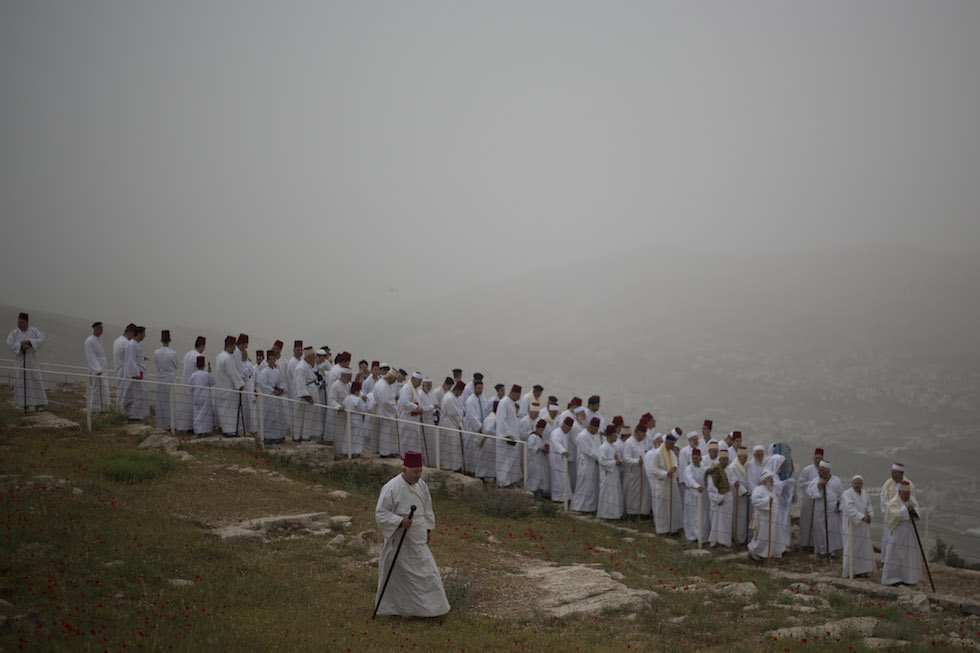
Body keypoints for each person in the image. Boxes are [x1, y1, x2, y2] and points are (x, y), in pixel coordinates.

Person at [374, 451, 450, 618]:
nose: (418, 475)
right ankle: (394, 608)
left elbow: (427, 508)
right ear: (405, 469)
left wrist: (428, 529)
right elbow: (381, 513)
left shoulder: (421, 486)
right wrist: (399, 522)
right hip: (400, 538)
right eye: (415, 471)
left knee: (427, 572)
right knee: (399, 574)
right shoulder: (391, 487)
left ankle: (431, 610)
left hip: (417, 537)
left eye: (420, 471)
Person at [881, 480, 923, 587]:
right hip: (898, 533)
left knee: (909, 556)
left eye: (908, 493)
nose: (907, 496)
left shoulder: (912, 500)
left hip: (909, 533)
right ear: (900, 492)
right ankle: (892, 579)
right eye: (905, 494)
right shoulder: (894, 502)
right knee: (895, 556)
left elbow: (918, 512)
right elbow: (894, 514)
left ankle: (909, 578)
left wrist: (912, 510)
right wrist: (906, 509)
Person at [7, 312, 48, 411]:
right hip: (20, 361)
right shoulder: (14, 333)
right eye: (18, 322)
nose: (19, 324)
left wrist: (29, 342)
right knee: (21, 382)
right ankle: (24, 405)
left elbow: (41, 339)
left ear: (26, 323)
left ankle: (39, 404)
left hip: (31, 360)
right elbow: (10, 343)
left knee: (36, 380)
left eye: (21, 322)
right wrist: (20, 345)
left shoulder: (34, 331)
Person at [806, 460, 843, 559]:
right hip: (820, 507)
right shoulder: (816, 480)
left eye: (821, 470)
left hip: (832, 509)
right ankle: (822, 549)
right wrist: (818, 486)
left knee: (832, 529)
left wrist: (840, 506)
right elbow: (809, 492)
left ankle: (832, 551)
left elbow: (841, 495)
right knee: (820, 528)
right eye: (819, 470)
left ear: (827, 471)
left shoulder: (836, 480)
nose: (819, 472)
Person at [841, 475, 875, 578]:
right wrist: (861, 517)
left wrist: (870, 516)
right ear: (852, 484)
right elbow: (849, 508)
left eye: (859, 483)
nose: (857, 485)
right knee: (850, 548)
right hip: (852, 525)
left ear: (862, 484)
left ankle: (862, 570)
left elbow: (869, 506)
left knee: (864, 549)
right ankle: (849, 571)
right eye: (855, 483)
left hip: (863, 526)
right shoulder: (847, 494)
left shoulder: (865, 494)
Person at [880, 462, 914, 561]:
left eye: (894, 472)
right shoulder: (887, 484)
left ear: (900, 474)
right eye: (892, 472)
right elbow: (883, 499)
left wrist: (900, 512)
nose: (892, 474)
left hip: (901, 519)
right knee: (887, 540)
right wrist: (893, 510)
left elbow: (911, 501)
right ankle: (886, 561)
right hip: (890, 517)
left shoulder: (909, 485)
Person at [651, 432, 683, 535]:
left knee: (674, 507)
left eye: (674, 444)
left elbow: (675, 463)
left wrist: (674, 468)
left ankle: (673, 529)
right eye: (671, 444)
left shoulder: (671, 452)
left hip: (672, 483)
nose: (673, 446)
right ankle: (663, 530)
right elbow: (654, 470)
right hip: (663, 484)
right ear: (667, 442)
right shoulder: (658, 453)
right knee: (663, 508)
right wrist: (666, 473)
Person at [214, 335, 246, 437]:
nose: (235, 349)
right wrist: (240, 385)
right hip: (229, 390)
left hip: (221, 389)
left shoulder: (219, 356)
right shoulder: (228, 358)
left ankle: (225, 429)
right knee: (230, 412)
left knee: (223, 411)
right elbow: (233, 374)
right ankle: (230, 431)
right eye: (234, 346)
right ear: (230, 346)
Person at [570, 417, 602, 513]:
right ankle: (579, 507)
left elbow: (598, 448)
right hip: (586, 464)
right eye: (595, 429)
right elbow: (588, 452)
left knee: (593, 487)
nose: (596, 431)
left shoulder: (596, 434)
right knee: (584, 485)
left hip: (595, 464)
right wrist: (600, 458)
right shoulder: (582, 436)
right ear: (590, 426)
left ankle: (591, 507)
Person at [494, 385, 523, 487]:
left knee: (510, 461)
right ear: (514, 393)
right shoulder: (504, 402)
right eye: (518, 396)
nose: (518, 398)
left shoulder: (511, 403)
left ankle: (508, 482)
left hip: (511, 439)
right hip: (505, 439)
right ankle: (502, 483)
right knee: (504, 462)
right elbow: (502, 420)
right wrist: (509, 434)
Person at [176, 337, 206, 432]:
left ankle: (185, 426)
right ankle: (193, 427)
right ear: (202, 346)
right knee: (194, 408)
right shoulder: (197, 356)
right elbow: (201, 372)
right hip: (194, 385)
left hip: (185, 383)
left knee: (186, 406)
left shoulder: (188, 354)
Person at [748, 471, 779, 561]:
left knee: (771, 538)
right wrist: (766, 500)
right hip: (763, 519)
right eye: (771, 479)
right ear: (765, 481)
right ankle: (754, 551)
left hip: (772, 520)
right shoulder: (758, 489)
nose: (773, 481)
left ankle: (768, 554)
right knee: (762, 538)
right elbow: (754, 501)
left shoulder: (771, 491)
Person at [797, 448, 824, 552]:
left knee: (817, 523)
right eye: (816, 458)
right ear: (813, 458)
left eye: (820, 458)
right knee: (807, 522)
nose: (818, 460)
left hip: (819, 501)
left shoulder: (823, 471)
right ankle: (805, 543)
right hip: (808, 500)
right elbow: (801, 483)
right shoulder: (807, 470)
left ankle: (815, 544)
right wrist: (814, 484)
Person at [153, 330, 180, 431]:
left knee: (161, 402)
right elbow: (177, 366)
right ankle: (172, 424)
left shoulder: (156, 352)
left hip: (160, 378)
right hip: (169, 379)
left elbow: (156, 362)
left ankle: (161, 424)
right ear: (169, 340)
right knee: (171, 402)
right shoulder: (173, 353)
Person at [706, 448, 734, 548]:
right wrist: (718, 499)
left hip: (728, 502)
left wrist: (736, 484)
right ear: (719, 460)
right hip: (718, 502)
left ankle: (725, 542)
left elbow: (731, 482)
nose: (725, 461)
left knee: (726, 523)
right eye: (723, 459)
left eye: (727, 459)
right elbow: (711, 488)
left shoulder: (729, 470)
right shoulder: (715, 471)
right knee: (716, 522)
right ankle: (716, 543)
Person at [256, 349, 285, 445]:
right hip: (269, 397)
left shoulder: (277, 372)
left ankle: (278, 436)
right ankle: (267, 437)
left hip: (277, 398)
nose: (272, 361)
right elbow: (262, 385)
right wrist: (273, 391)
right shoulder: (264, 372)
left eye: (273, 359)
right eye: (270, 359)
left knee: (277, 417)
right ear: (267, 360)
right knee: (268, 417)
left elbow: (281, 383)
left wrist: (280, 390)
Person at [622, 424, 650, 520]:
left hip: (640, 473)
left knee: (640, 493)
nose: (644, 436)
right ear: (638, 433)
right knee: (632, 493)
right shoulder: (629, 443)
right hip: (632, 473)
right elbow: (626, 458)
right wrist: (637, 461)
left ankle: (639, 512)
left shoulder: (641, 443)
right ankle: (631, 513)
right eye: (643, 434)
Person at [292, 348, 321, 442]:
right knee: (307, 418)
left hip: (311, 393)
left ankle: (309, 436)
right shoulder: (301, 367)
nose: (315, 357)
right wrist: (308, 397)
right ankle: (304, 437)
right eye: (313, 355)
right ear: (309, 356)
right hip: (307, 398)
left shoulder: (307, 366)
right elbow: (300, 384)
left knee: (311, 417)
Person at [597, 424, 624, 520]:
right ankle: (606, 514)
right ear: (609, 435)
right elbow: (602, 461)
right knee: (608, 494)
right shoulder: (603, 447)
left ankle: (615, 514)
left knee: (615, 494)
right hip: (607, 475)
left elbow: (617, 457)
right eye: (614, 435)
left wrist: (619, 461)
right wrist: (614, 462)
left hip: (614, 474)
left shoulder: (614, 447)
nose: (616, 437)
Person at [123, 326, 150, 421]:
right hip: (136, 376)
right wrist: (136, 374)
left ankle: (139, 416)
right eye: (144, 334)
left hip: (140, 375)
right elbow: (131, 361)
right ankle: (134, 417)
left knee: (141, 396)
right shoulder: (131, 345)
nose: (144, 336)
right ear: (139, 334)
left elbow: (136, 358)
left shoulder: (136, 345)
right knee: (137, 396)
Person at [397, 372, 426, 460]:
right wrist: (417, 407)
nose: (420, 384)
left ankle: (413, 459)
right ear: (413, 379)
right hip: (407, 419)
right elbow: (404, 403)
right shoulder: (406, 388)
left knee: (414, 442)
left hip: (414, 420)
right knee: (407, 440)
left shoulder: (414, 389)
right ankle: (405, 458)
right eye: (419, 381)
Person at [683, 448, 709, 542]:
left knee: (703, 516)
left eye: (696, 458)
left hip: (702, 496)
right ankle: (692, 536)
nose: (695, 460)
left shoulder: (703, 468)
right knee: (692, 516)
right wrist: (697, 486)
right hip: (692, 495)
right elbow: (689, 480)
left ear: (700, 458)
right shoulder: (688, 469)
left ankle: (702, 536)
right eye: (693, 458)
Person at [84, 321, 110, 413]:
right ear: (95, 328)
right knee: (96, 389)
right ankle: (95, 408)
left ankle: (104, 408)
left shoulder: (99, 339)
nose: (101, 330)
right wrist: (97, 369)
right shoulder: (89, 341)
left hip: (102, 368)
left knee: (104, 389)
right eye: (100, 328)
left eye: (102, 328)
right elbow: (91, 356)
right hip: (97, 370)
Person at [339, 380, 370, 457]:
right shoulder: (358, 399)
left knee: (348, 435)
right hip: (357, 419)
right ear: (357, 391)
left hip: (349, 419)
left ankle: (346, 451)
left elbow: (344, 405)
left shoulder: (347, 398)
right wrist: (367, 403)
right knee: (357, 436)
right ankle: (355, 452)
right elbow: (363, 409)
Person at [439, 381, 465, 471]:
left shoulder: (449, 396)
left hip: (450, 423)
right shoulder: (450, 398)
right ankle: (451, 466)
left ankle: (452, 465)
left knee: (451, 445)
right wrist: (460, 424)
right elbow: (454, 414)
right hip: (450, 424)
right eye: (461, 392)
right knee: (451, 445)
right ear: (458, 390)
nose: (460, 395)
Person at [728, 446, 751, 545]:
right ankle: (737, 538)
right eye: (743, 457)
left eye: (746, 457)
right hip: (737, 494)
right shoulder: (733, 466)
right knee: (737, 517)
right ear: (739, 456)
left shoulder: (745, 465)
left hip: (745, 496)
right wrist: (744, 491)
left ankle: (742, 538)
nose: (745, 459)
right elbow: (733, 480)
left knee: (743, 517)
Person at [189, 355, 216, 437]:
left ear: (196, 366)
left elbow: (191, 386)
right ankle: (205, 431)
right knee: (205, 414)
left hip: (196, 395)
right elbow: (212, 382)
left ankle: (197, 430)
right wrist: (210, 372)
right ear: (204, 365)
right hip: (205, 396)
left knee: (197, 413)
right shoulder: (206, 374)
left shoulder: (193, 375)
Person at [549, 417, 574, 503]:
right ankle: (558, 499)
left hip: (561, 461)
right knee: (558, 480)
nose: (569, 431)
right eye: (568, 429)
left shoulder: (563, 433)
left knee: (564, 479)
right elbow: (556, 443)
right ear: (564, 426)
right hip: (556, 460)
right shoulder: (556, 433)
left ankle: (565, 498)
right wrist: (563, 451)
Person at [526, 419, 551, 499]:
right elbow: (530, 448)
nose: (541, 431)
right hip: (534, 460)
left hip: (540, 460)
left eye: (542, 430)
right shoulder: (532, 437)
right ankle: (531, 491)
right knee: (534, 476)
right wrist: (538, 448)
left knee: (541, 476)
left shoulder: (540, 437)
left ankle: (540, 492)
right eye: (540, 430)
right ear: (536, 428)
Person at [113, 323, 134, 412]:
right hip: (124, 371)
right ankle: (122, 411)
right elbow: (130, 357)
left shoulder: (118, 340)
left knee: (121, 392)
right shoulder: (125, 342)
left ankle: (120, 410)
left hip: (119, 369)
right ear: (130, 332)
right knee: (124, 393)